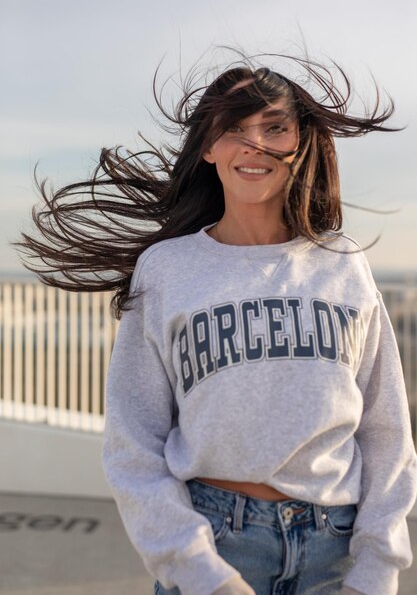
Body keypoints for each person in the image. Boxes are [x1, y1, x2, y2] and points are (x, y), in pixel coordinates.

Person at [17, 49, 417, 595]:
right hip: (217, 542)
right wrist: (199, 570)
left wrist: (377, 570)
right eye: (234, 128)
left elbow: (386, 432)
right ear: (208, 146)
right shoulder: (166, 269)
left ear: (298, 144)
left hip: (335, 549)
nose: (255, 145)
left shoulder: (344, 264)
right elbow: (134, 442)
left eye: (274, 128)